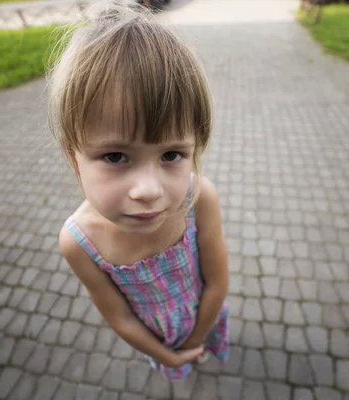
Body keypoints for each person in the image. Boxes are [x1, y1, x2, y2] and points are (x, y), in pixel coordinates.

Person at [46, 0, 229, 381]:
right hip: (155, 337)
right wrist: (168, 354)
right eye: (115, 156)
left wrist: (193, 342)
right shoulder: (78, 242)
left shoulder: (199, 199)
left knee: (202, 353)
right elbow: (120, 317)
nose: (148, 191)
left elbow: (217, 283)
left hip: (204, 319)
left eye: (172, 154)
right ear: (72, 155)